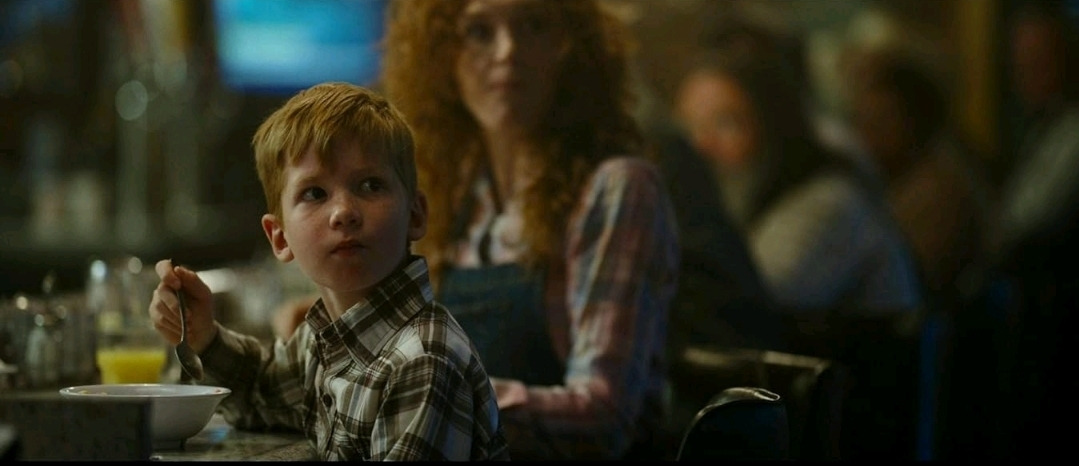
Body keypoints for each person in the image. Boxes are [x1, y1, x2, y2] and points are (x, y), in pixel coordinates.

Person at [379, 0, 680, 460]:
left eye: (534, 25)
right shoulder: (450, 194)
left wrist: (437, 395)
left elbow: (604, 415)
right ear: (440, 58)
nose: (508, 51)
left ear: (573, 49)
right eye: (479, 32)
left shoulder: (616, 188)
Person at [146, 82, 510, 461]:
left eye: (370, 185)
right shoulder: (328, 336)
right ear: (279, 237)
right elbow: (260, 394)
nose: (344, 212)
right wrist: (203, 335)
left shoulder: (423, 361)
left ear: (415, 215)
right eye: (315, 193)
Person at [674, 28, 923, 315]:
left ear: (774, 128)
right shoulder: (735, 197)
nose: (701, 145)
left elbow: (747, 306)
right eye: (688, 126)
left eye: (726, 123)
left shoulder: (828, 204)